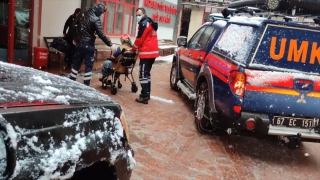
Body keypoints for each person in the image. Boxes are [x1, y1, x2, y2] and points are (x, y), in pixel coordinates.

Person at [70, 2, 113, 86]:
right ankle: (86, 85)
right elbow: (100, 33)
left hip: (79, 44)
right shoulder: (95, 19)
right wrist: (109, 43)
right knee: (88, 66)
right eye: (101, 12)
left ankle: (71, 81)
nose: (101, 14)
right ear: (99, 10)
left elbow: (73, 26)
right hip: (88, 45)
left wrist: (74, 38)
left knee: (76, 63)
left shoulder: (81, 14)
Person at [132, 8, 159, 104]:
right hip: (152, 52)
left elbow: (140, 39)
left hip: (146, 52)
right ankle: (147, 93)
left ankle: (144, 96)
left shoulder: (144, 24)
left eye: (139, 14)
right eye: (136, 15)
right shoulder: (150, 22)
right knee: (147, 74)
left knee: (143, 74)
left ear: (144, 14)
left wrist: (133, 48)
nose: (137, 17)